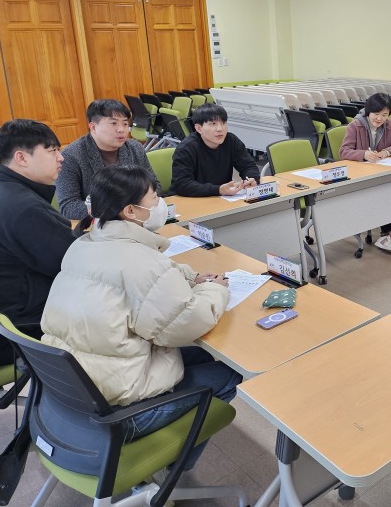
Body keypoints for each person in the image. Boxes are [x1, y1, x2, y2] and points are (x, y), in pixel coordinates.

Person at [41, 165, 241, 468]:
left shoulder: (85, 243)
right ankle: (172, 466)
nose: (160, 203)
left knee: (199, 357)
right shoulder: (141, 262)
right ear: (131, 211)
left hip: (76, 390)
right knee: (229, 374)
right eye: (154, 197)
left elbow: (145, 277)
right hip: (120, 410)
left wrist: (189, 277)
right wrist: (216, 290)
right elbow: (184, 323)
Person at [0, 120, 76, 366]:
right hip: (9, 331)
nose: (61, 158)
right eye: (52, 150)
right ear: (22, 158)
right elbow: (74, 264)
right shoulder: (22, 207)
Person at [57, 99, 161, 220]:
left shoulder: (135, 148)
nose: (121, 129)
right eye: (113, 123)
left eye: (125, 124)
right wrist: (118, 210)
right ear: (93, 127)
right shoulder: (71, 156)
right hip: (97, 224)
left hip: (135, 219)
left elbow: (155, 187)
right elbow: (69, 207)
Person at [339, 93, 391, 256]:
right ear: (368, 112)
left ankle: (387, 235)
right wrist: (363, 154)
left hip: (379, 174)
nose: (379, 119)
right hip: (359, 177)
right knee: (385, 192)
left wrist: (387, 152)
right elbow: (343, 151)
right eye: (376, 114)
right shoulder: (355, 125)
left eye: (384, 115)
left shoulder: (389, 124)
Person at [172, 103, 260, 197]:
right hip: (190, 199)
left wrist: (250, 179)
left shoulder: (231, 141)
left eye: (223, 123)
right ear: (199, 128)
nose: (220, 129)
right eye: (213, 124)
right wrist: (218, 190)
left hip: (222, 198)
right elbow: (182, 184)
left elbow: (248, 166)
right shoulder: (186, 148)